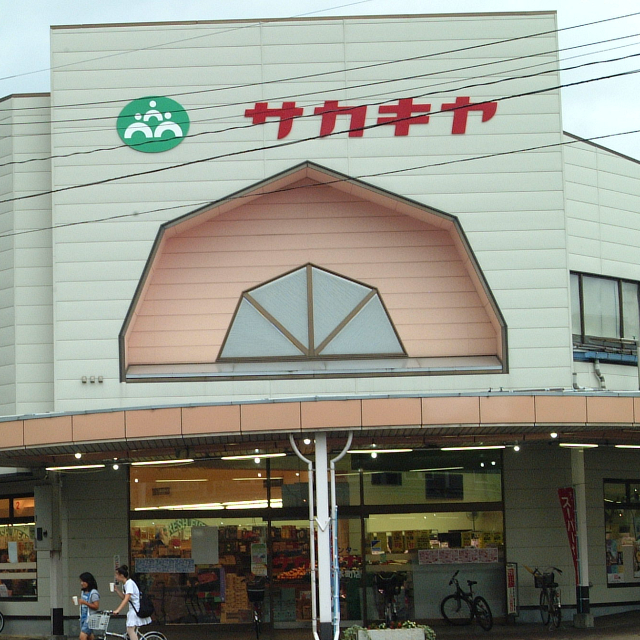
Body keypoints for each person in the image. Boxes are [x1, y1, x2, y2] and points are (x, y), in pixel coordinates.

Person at [113, 565, 151, 640]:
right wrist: (117, 590)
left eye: (117, 575)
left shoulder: (129, 583)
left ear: (122, 575)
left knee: (130, 630)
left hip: (136, 609)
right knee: (130, 630)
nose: (116, 577)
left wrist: (118, 610)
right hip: (133, 609)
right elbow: (124, 597)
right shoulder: (125, 585)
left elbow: (126, 599)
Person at [78, 572, 100, 640]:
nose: (82, 583)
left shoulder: (93, 593)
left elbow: (96, 606)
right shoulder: (83, 592)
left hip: (90, 617)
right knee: (89, 636)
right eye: (81, 581)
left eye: (83, 581)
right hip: (83, 617)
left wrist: (85, 603)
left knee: (83, 636)